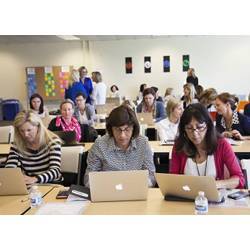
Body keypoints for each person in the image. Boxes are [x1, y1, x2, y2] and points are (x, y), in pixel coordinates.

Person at [170, 103, 245, 189]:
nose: (195, 133)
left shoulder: (222, 145)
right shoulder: (179, 146)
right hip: (187, 199)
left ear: (208, 126)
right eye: (189, 128)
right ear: (183, 129)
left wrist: (215, 184)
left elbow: (239, 179)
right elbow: (173, 180)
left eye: (199, 127)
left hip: (215, 198)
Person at [84, 105, 156, 187]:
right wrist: (102, 186)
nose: (122, 135)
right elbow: (88, 179)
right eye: (118, 130)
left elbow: (151, 176)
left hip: (136, 192)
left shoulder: (143, 143)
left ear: (133, 128)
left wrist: (139, 186)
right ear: (111, 129)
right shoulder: (100, 145)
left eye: (127, 130)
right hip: (108, 192)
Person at [5, 110, 62, 184]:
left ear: (38, 127)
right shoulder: (17, 145)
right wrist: (11, 175)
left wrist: (35, 179)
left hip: (52, 184)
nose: (25, 134)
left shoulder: (52, 141)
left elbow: (55, 171)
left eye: (29, 130)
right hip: (31, 185)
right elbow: (10, 168)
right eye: (22, 131)